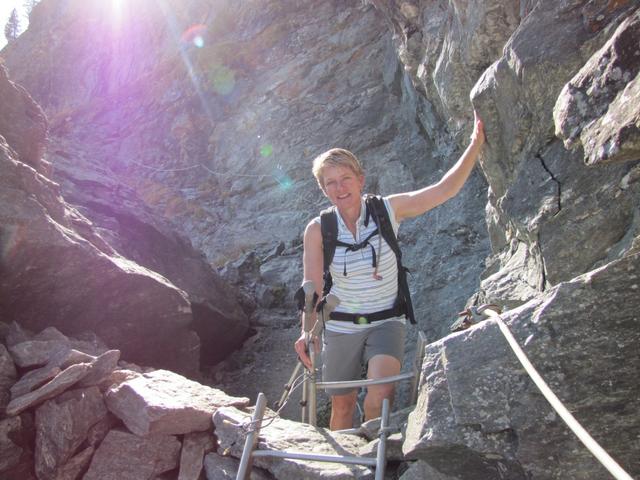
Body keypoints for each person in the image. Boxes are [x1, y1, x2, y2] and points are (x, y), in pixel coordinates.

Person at [294, 110, 485, 430]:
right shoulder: (318, 229)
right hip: (340, 324)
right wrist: (307, 332)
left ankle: (372, 450)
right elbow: (311, 287)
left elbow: (444, 190)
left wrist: (475, 143)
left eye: (346, 178)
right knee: (342, 405)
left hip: (386, 320)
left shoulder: (387, 210)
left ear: (361, 179)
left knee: (381, 396)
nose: (340, 188)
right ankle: (346, 459)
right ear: (324, 189)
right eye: (331, 183)